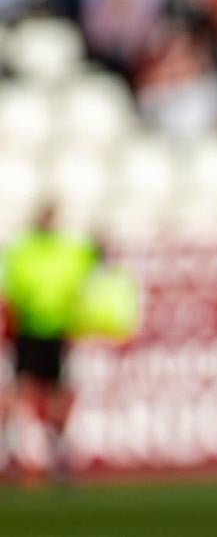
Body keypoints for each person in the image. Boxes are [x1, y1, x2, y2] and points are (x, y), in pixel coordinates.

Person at [1, 205, 98, 482]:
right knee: (22, 392)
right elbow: (11, 291)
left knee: (54, 395)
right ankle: (12, 453)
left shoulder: (64, 251)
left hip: (56, 331)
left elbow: (88, 269)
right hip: (28, 330)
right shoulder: (24, 251)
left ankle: (57, 455)